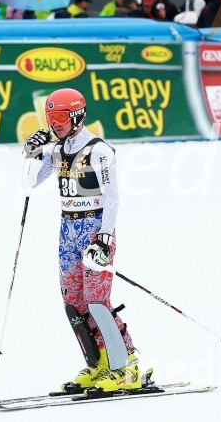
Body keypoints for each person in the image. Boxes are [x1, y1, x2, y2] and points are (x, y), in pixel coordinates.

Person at [21, 89, 140, 392]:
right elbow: (29, 182)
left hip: (94, 230)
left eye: (60, 117)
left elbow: (112, 198)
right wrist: (32, 154)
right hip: (67, 230)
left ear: (77, 116)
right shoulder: (57, 150)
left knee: (97, 301)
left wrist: (104, 238)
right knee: (73, 303)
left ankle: (125, 366)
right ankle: (98, 366)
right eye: (50, 118)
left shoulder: (99, 150)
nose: (54, 124)